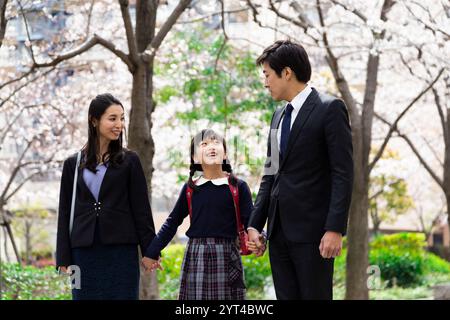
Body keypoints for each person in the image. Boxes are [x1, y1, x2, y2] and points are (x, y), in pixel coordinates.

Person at [247, 40, 354, 300]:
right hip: (278, 232)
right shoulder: (278, 116)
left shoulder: (330, 108)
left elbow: (343, 172)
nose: (265, 82)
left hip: (314, 233)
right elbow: (271, 173)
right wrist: (255, 225)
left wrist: (335, 228)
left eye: (267, 75)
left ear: (287, 72)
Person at [56, 93, 156, 300]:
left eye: (121, 118)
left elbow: (141, 210)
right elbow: (65, 213)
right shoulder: (72, 164)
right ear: (94, 120)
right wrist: (63, 258)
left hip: (121, 251)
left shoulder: (130, 160)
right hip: (82, 252)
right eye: (112, 118)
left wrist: (150, 251)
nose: (119, 124)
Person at [142, 129, 262, 300]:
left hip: (227, 257)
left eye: (216, 142)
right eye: (204, 144)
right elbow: (172, 222)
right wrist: (152, 252)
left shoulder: (237, 187)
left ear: (225, 153)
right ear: (194, 158)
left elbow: (252, 222)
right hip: (196, 257)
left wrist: (260, 239)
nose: (211, 147)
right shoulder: (191, 188)